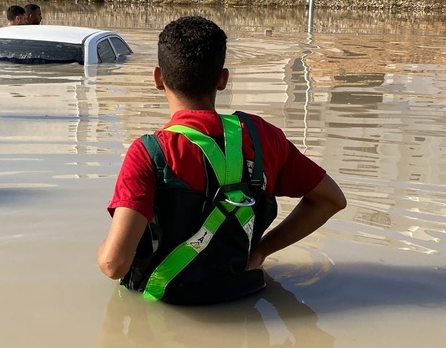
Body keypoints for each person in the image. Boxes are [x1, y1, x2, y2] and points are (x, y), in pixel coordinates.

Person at [97, 16, 346, 305]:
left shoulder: (150, 152)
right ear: (223, 79)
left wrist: (102, 249)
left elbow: (114, 264)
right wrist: (262, 251)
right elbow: (331, 199)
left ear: (157, 78)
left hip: (168, 307)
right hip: (243, 296)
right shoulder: (264, 137)